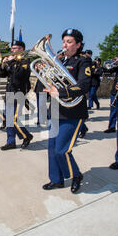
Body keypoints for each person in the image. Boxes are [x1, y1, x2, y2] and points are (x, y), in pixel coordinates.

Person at [42, 28, 91, 193]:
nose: (65, 45)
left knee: (62, 149)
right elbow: (54, 83)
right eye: (63, 41)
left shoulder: (83, 62)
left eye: (69, 42)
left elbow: (84, 86)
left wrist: (61, 92)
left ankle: (75, 174)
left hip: (73, 112)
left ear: (78, 45)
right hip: (56, 109)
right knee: (52, 149)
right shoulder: (61, 61)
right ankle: (56, 180)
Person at [0, 40, 34, 150]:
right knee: (9, 119)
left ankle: (26, 136)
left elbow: (18, 76)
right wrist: (3, 64)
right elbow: (2, 74)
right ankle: (11, 141)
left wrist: (10, 63)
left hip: (18, 93)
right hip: (9, 91)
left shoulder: (25, 61)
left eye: (15, 48)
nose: (12, 50)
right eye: (12, 48)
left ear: (21, 49)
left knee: (13, 119)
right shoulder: (13, 61)